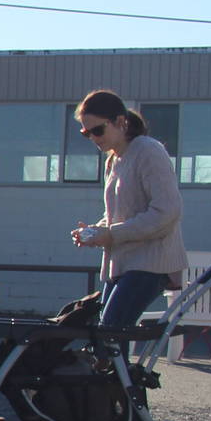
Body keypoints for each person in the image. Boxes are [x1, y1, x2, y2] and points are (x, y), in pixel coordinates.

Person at [71, 89, 186, 327]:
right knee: (105, 338)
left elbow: (167, 211)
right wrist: (93, 232)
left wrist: (111, 234)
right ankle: (116, 366)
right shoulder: (114, 160)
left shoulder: (148, 150)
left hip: (150, 263)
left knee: (110, 332)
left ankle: (117, 365)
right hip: (122, 264)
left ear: (120, 122)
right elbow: (118, 214)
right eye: (86, 132)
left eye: (97, 130)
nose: (93, 137)